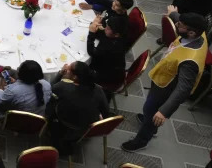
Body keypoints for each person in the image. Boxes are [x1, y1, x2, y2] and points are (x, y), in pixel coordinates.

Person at [122, 12, 208, 152]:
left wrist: (164, 111)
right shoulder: (199, 33)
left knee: (151, 110)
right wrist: (174, 14)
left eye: (180, 25)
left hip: (166, 90)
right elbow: (184, 22)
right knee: (149, 111)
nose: (176, 25)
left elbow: (183, 89)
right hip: (164, 77)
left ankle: (142, 140)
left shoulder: (190, 62)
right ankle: (149, 121)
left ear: (191, 33)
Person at [46, 61, 110, 155]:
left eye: (68, 69)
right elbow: (106, 111)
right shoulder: (98, 90)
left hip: (61, 126)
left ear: (75, 77)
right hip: (85, 130)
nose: (66, 69)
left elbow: (50, 88)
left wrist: (60, 74)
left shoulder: (63, 87)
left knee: (51, 103)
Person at [86, 15, 127, 86]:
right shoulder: (117, 36)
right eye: (106, 26)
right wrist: (94, 24)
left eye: (108, 28)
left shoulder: (111, 47)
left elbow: (91, 52)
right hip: (112, 66)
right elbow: (104, 36)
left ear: (117, 34)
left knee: (79, 69)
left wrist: (91, 33)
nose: (105, 29)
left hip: (105, 75)